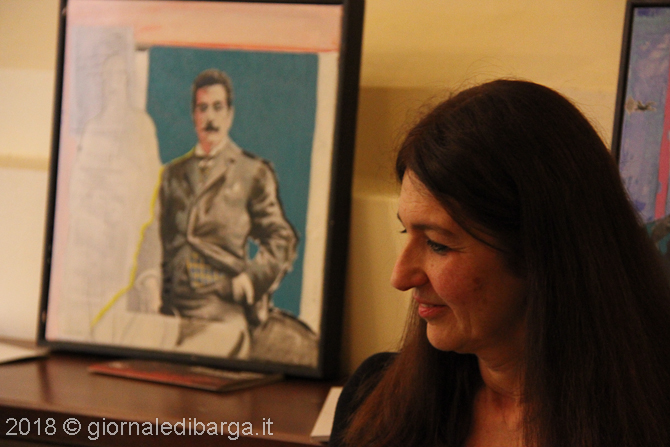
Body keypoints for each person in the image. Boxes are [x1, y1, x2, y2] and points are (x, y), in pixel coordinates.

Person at [330, 80, 670, 447]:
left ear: (539, 253)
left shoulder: (649, 420)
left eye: (438, 244)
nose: (400, 277)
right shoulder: (375, 398)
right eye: (405, 232)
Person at [158, 69, 298, 346]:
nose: (210, 117)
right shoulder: (173, 174)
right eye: (202, 108)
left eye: (218, 107)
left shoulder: (252, 172)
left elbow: (282, 238)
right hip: (169, 304)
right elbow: (155, 238)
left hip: (221, 302)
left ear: (230, 115)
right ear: (194, 115)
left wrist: (249, 280)